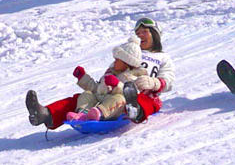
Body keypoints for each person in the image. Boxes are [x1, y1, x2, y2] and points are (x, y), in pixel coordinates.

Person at [26, 17, 175, 129]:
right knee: (81, 98)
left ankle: (134, 110)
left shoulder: (163, 57)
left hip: (144, 92)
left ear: (155, 34)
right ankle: (46, 114)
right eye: (138, 33)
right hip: (116, 93)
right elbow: (108, 76)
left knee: (147, 101)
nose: (140, 35)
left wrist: (155, 83)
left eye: (145, 32)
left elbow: (168, 80)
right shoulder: (127, 51)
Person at [65, 36, 147, 122]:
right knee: (87, 94)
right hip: (101, 100)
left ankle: (99, 114)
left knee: (119, 98)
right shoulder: (109, 73)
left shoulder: (132, 77)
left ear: (127, 63)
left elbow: (134, 95)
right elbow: (97, 89)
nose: (114, 62)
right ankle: (83, 114)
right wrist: (82, 77)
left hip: (116, 109)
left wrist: (117, 85)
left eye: (117, 60)